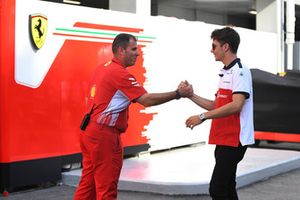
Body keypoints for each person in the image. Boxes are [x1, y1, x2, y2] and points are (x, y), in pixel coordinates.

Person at [74, 33, 193, 200]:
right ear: (121, 51)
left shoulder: (104, 67)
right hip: (104, 137)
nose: (138, 53)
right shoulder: (119, 73)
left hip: (89, 132)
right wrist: (178, 93)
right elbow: (147, 100)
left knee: (88, 184)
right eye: (134, 49)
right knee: (106, 188)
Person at [185, 27, 254, 200]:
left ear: (225, 47)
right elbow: (217, 105)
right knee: (228, 187)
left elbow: (236, 105)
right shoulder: (226, 72)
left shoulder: (240, 71)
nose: (211, 50)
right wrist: (190, 95)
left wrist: (202, 117)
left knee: (217, 188)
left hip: (234, 139)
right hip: (224, 138)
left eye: (214, 46)